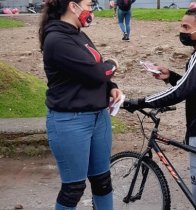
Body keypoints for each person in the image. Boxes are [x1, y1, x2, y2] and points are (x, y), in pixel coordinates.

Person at [124, 8, 196, 206]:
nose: (181, 30)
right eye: (181, 25)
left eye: (186, 27)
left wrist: (141, 102)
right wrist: (171, 76)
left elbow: (182, 91)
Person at [38, 0, 122, 209]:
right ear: (73, 6)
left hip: (98, 117)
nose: (92, 8)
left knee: (102, 182)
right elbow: (95, 72)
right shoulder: (56, 39)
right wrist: (112, 64)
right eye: (88, 3)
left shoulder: (78, 33)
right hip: (70, 121)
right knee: (74, 188)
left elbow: (90, 70)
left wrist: (111, 86)